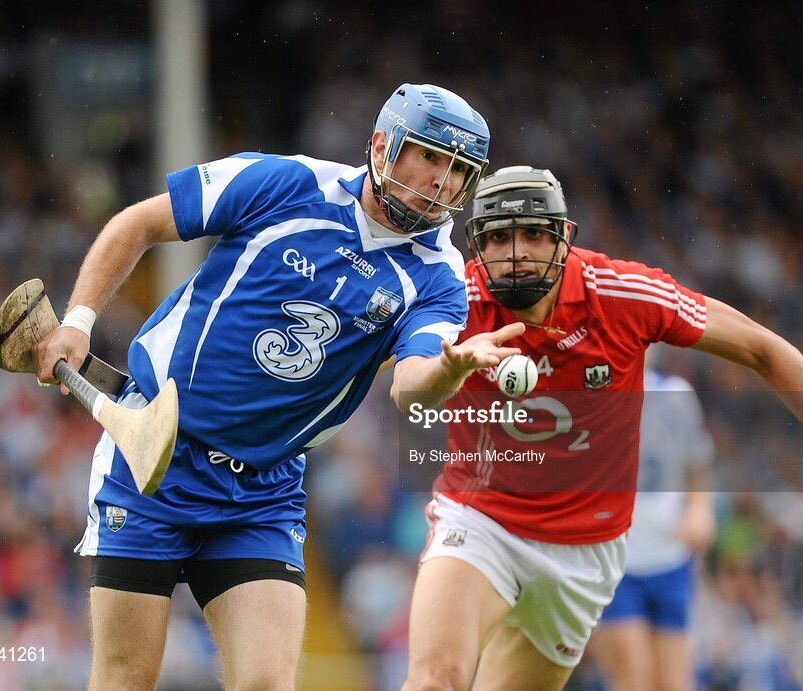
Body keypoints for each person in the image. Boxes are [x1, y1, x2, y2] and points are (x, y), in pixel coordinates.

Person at [32, 83, 523, 691]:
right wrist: (79, 321)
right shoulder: (286, 183)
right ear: (382, 144)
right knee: (126, 678)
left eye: (458, 169)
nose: (443, 181)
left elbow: (412, 388)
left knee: (267, 684)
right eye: (430, 156)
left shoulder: (439, 275)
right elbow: (140, 223)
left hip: (261, 491)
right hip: (152, 457)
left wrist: (450, 367)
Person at [401, 166, 803, 690]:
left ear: (565, 238)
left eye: (533, 234)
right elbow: (408, 390)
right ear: (477, 244)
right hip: (480, 522)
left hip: (586, 549)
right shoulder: (455, 297)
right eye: (498, 236)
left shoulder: (624, 293)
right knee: (436, 680)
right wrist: (447, 369)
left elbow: (763, 349)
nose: (516, 252)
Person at [587, 360, 715, 691]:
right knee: (633, 680)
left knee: (676, 683)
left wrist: (700, 510)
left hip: (671, 555)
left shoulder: (676, 395)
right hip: (617, 561)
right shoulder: (590, 396)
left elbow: (697, 464)